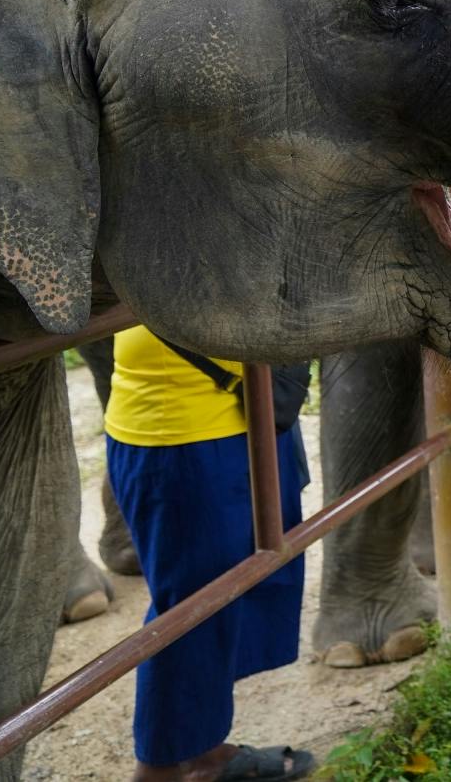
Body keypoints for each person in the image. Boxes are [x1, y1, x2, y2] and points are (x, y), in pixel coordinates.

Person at [104, 324, 314, 781]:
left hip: (246, 405)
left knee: (224, 601)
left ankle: (201, 752)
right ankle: (160, 770)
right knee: (191, 611)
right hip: (184, 432)